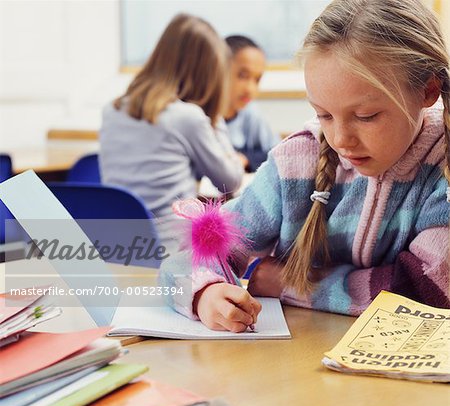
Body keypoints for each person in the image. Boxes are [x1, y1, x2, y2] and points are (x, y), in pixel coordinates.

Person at [161, 0, 450, 332]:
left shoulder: (442, 169)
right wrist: (205, 293)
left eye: (366, 116)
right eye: (324, 114)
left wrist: (287, 282)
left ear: (427, 91)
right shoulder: (296, 164)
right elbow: (188, 256)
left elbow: (429, 290)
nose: (341, 139)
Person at [99, 14, 243, 251]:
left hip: (117, 250)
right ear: (206, 74)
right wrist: (215, 117)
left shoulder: (111, 110)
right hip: (173, 252)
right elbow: (230, 182)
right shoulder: (187, 117)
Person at [224, 35, 280, 172]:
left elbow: (279, 154)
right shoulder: (198, 117)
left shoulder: (251, 113)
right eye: (243, 76)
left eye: (257, 80)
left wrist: (246, 159)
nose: (250, 89)